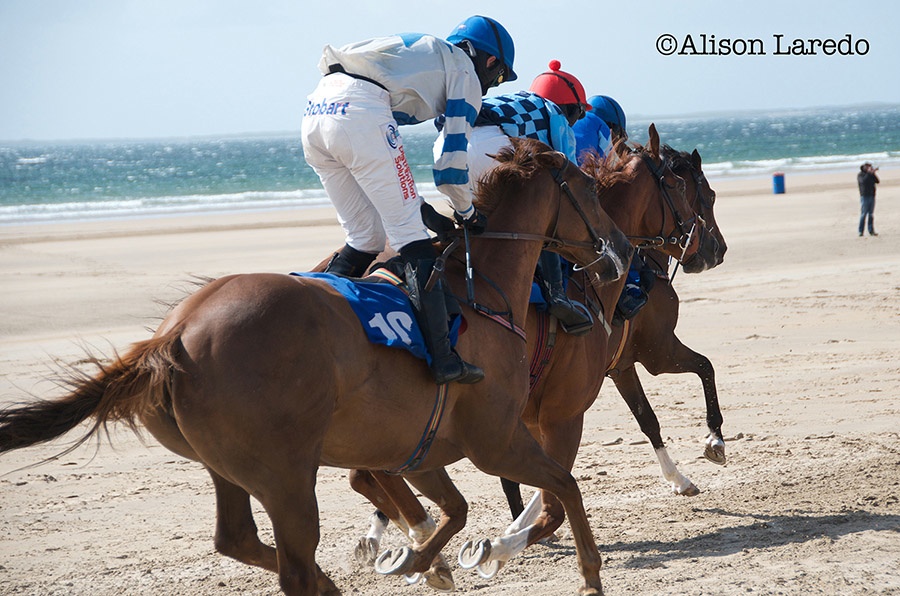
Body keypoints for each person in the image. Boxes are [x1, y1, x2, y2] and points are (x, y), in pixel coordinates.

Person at [301, 15, 517, 385]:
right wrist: (467, 213)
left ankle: (312, 317)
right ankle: (445, 359)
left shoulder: (428, 54)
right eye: (496, 78)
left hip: (316, 110)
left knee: (365, 239)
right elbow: (450, 169)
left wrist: (427, 212)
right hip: (360, 110)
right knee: (410, 239)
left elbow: (381, 170)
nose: (491, 87)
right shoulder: (465, 71)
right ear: (490, 61)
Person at [436, 60, 595, 334]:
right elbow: (567, 178)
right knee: (547, 205)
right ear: (569, 107)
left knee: (482, 216)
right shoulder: (553, 115)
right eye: (578, 114)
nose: (576, 121)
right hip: (488, 147)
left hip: (445, 147)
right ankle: (556, 293)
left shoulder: (515, 101)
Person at [857, 162, 880, 237]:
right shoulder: (860, 175)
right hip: (864, 196)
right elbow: (863, 181)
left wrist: (873, 173)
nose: (869, 168)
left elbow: (877, 181)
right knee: (863, 214)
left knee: (871, 214)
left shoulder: (870, 175)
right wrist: (869, 173)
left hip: (872, 195)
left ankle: (871, 230)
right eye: (868, 167)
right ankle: (860, 231)